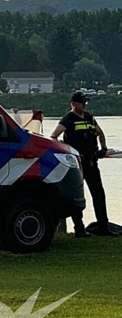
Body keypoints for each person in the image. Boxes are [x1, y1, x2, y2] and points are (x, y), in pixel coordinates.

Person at [50, 91, 110, 237]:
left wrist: (103, 148)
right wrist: (67, 150)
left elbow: (100, 133)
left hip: (91, 162)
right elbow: (53, 137)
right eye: (82, 102)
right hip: (77, 164)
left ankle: (103, 226)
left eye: (85, 102)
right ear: (74, 104)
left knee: (99, 194)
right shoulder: (68, 119)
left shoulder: (89, 118)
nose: (84, 105)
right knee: (77, 196)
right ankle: (79, 228)